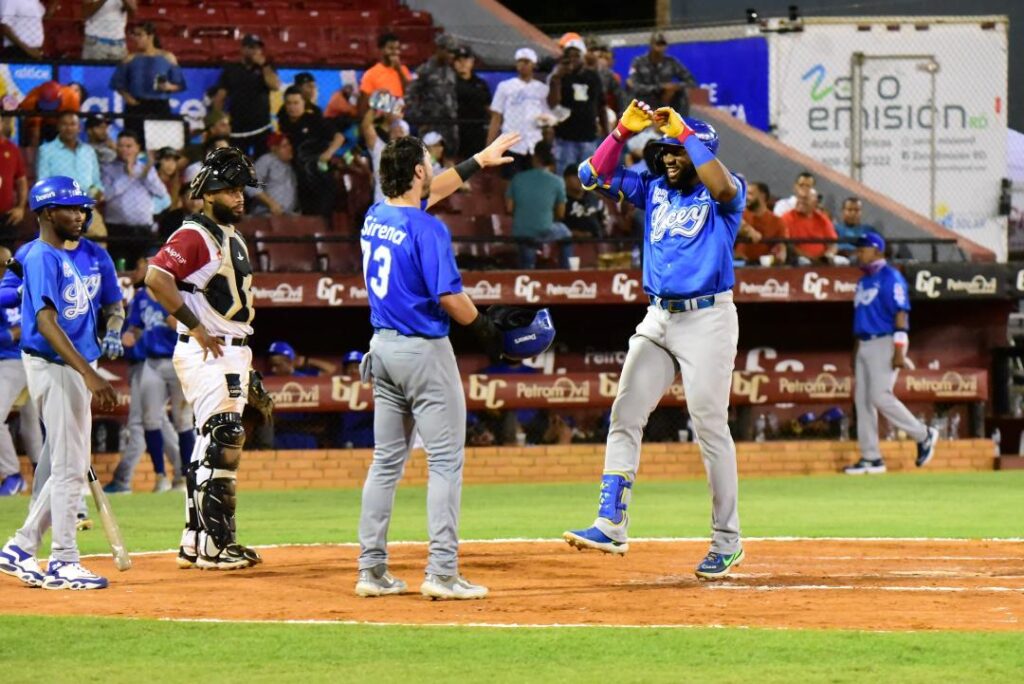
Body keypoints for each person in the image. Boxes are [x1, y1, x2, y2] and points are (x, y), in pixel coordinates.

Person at [564, 100, 747, 580]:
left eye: (677, 151)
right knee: (625, 412)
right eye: (663, 150)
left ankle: (727, 539)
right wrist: (622, 132)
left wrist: (684, 131)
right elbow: (588, 175)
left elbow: (723, 185)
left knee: (709, 427)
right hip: (659, 317)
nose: (668, 158)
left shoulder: (724, 192)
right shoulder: (653, 189)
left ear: (697, 149)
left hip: (708, 318)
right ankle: (611, 522)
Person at [354, 129, 522, 600]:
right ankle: (442, 572)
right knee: (446, 462)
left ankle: (371, 571)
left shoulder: (375, 214)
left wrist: (477, 161)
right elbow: (449, 296)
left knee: (385, 464)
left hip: (382, 349)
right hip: (423, 351)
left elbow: (433, 190)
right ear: (418, 172)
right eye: (428, 163)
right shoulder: (428, 228)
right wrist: (487, 330)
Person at [144, 146, 263, 571]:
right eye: (230, 190)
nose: (239, 196)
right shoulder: (195, 233)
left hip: (230, 351)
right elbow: (156, 279)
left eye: (241, 189)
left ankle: (195, 541)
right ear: (209, 193)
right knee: (224, 439)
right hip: (208, 349)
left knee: (208, 445)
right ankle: (217, 546)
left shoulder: (230, 234)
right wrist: (193, 325)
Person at [0, 176, 118, 591]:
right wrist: (89, 372)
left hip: (70, 367)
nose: (82, 215)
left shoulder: (60, 254)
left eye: (84, 208)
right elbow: (45, 321)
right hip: (58, 366)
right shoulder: (40, 257)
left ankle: (20, 546)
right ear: (48, 212)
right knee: (69, 468)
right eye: (72, 208)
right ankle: (64, 561)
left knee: (66, 462)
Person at [845, 231, 938, 474]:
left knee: (879, 396)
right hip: (865, 343)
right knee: (863, 402)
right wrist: (856, 352)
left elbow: (900, 313)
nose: (859, 253)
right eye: (858, 248)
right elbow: (861, 319)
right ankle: (871, 457)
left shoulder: (891, 276)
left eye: (863, 248)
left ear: (877, 250)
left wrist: (899, 350)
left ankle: (923, 434)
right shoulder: (863, 281)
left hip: (886, 341)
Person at [104, 253, 182, 494]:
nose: (134, 273)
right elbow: (132, 332)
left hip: (152, 364)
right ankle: (182, 474)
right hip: (142, 364)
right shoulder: (139, 298)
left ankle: (124, 479)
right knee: (159, 422)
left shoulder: (170, 295)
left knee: (140, 423)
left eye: (138, 267)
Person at [133, 260, 192, 493]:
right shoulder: (140, 297)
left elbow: (195, 327)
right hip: (152, 362)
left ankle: (186, 476)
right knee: (150, 419)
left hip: (180, 361)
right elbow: (135, 326)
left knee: (183, 420)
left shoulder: (181, 292)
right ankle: (160, 476)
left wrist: (176, 322)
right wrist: (129, 335)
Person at [110, 22, 184, 147]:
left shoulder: (168, 57)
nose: (135, 39)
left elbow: (180, 83)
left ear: (150, 36)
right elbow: (117, 83)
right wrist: (128, 98)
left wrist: (168, 87)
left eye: (139, 35)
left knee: (160, 144)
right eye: (134, 35)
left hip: (159, 105)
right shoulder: (129, 59)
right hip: (136, 105)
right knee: (135, 142)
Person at [101, 129, 170, 262]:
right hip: (117, 230)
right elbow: (106, 195)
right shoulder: (108, 168)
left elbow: (161, 193)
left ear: (138, 148)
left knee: (144, 273)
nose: (124, 150)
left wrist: (146, 174)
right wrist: (128, 175)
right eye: (120, 146)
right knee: (120, 271)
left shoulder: (146, 169)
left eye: (129, 146)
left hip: (143, 231)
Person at [277, 85, 343, 217]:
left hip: (320, 176)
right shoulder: (284, 122)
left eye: (296, 103)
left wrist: (328, 153)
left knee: (321, 215)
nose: (292, 107)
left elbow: (339, 137)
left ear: (303, 103)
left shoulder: (314, 120)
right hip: (299, 177)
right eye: (289, 103)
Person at [212, 34, 280, 159]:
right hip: (238, 128)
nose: (255, 51)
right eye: (251, 48)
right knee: (238, 164)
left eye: (257, 48)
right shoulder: (231, 69)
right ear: (242, 49)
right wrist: (221, 117)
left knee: (263, 162)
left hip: (261, 127)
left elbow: (275, 86)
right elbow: (220, 97)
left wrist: (264, 65)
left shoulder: (267, 67)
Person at [507, 141, 571, 269]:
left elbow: (509, 208)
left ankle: (526, 270)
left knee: (526, 264)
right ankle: (566, 270)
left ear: (534, 157)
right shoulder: (558, 181)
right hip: (544, 230)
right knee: (565, 232)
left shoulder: (517, 178)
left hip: (520, 230)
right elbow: (561, 213)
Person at [488, 47, 551, 177]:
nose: (522, 65)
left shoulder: (542, 89)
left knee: (532, 181)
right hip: (512, 143)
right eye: (520, 61)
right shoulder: (505, 86)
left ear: (534, 64)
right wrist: (489, 145)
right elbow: (496, 116)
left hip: (534, 143)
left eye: (526, 62)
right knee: (509, 180)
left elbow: (547, 118)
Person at [548, 39, 606, 173]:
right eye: (569, 56)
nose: (573, 59)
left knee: (589, 178)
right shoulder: (559, 76)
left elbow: (601, 106)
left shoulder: (593, 77)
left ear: (583, 57)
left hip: (588, 136)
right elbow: (553, 104)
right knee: (564, 175)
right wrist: (557, 78)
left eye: (576, 55)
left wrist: (606, 133)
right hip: (565, 137)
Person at [405, 33, 459, 155]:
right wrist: (420, 118)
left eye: (453, 52)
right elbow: (410, 94)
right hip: (430, 123)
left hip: (450, 122)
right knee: (428, 159)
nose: (452, 55)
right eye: (449, 51)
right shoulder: (424, 70)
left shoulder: (450, 70)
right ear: (439, 49)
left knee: (450, 158)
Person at [36, 112, 104, 204]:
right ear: (58, 127)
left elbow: (96, 182)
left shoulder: (88, 151)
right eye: (64, 124)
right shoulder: (46, 150)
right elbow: (43, 184)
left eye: (73, 124)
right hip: (60, 207)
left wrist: (97, 193)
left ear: (79, 128)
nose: (69, 128)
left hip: (87, 207)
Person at [627, 32, 697, 115]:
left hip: (666, 99)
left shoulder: (671, 62)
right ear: (651, 45)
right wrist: (660, 87)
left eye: (662, 44)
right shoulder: (638, 62)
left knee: (682, 94)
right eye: (657, 44)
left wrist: (675, 87)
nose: (660, 47)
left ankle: (681, 122)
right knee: (631, 94)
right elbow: (634, 85)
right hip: (646, 98)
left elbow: (691, 81)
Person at [361, 91, 409, 205]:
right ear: (390, 133)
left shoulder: (411, 157)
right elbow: (366, 126)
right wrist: (376, 106)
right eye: (396, 130)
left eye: (401, 131)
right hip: (382, 206)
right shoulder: (380, 148)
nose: (398, 133)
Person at [17, 79, 82, 147]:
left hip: (59, 122)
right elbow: (35, 131)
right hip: (42, 122)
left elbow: (73, 122)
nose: (49, 110)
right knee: (30, 135)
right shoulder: (31, 100)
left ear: (59, 97)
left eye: (51, 105)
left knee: (68, 129)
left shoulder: (71, 97)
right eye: (46, 105)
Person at [735, 181, 787, 264]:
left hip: (764, 266)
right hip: (739, 264)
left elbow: (781, 247)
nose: (746, 197)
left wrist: (779, 255)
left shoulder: (777, 222)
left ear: (762, 196)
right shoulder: (739, 215)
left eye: (750, 194)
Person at [453, 46, 490, 160]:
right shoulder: (449, 84)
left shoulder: (480, 84)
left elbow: (488, 106)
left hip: (477, 132)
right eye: (459, 60)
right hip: (456, 131)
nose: (462, 63)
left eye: (466, 60)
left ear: (472, 62)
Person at [780, 188, 837, 263]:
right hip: (800, 259)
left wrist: (828, 255)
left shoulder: (822, 219)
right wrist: (811, 259)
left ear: (815, 202)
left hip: (822, 260)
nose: (801, 201)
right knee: (803, 261)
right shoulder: (786, 218)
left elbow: (832, 244)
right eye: (799, 198)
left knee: (842, 261)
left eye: (805, 198)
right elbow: (789, 245)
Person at [247, 133, 297, 216]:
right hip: (266, 215)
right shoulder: (267, 160)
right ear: (274, 149)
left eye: (289, 144)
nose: (289, 148)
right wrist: (271, 204)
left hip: (285, 216)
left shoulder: (290, 165)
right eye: (284, 146)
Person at [359, 33, 411, 108]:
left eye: (397, 49)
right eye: (391, 48)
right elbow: (364, 104)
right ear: (381, 50)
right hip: (382, 114)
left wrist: (399, 70)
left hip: (403, 112)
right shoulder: (371, 74)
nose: (395, 52)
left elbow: (410, 93)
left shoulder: (403, 69)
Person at [0, 110, 27, 241]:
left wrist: (20, 207)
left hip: (6, 216)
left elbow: (21, 180)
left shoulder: (12, 149)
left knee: (7, 256)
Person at [563, 163, 606, 239]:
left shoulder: (595, 198)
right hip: (572, 245)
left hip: (599, 244)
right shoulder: (562, 201)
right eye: (576, 176)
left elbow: (604, 223)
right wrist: (576, 233)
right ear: (566, 180)